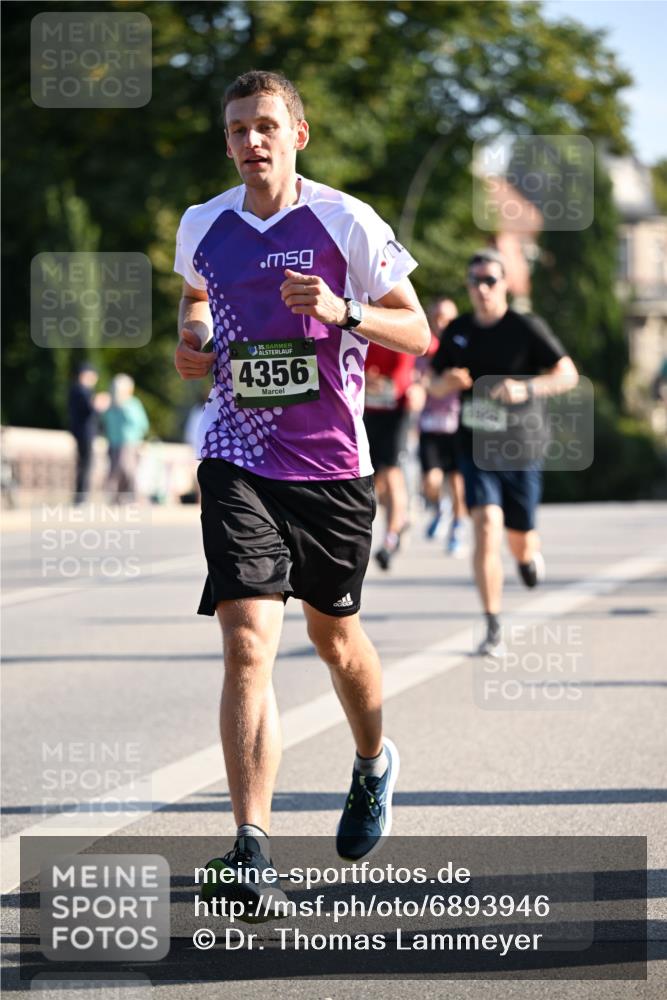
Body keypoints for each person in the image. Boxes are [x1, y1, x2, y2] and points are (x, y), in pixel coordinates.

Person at [173, 71, 429, 915]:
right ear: (227, 142)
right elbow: (197, 301)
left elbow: (418, 330)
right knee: (247, 640)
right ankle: (251, 848)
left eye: (266, 126)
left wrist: (344, 309)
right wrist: (194, 337)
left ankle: (371, 761)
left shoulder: (344, 221)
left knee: (335, 641)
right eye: (238, 129)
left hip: (329, 471)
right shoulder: (204, 223)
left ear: (298, 135)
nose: (252, 141)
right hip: (236, 455)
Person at [429, 249, 578, 656]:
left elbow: (567, 374)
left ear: (505, 284)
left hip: (522, 445)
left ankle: (529, 558)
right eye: (474, 281)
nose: (481, 288)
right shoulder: (458, 330)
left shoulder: (526, 327)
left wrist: (525, 388)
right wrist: (447, 383)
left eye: (490, 280)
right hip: (475, 447)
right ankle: (493, 623)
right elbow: (431, 381)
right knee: (486, 528)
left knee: (520, 540)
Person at [417, 297, 467, 554]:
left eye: (446, 318)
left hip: (457, 424)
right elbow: (419, 383)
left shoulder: (463, 347)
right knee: (431, 482)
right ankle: (440, 508)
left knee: (458, 483)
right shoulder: (422, 349)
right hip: (429, 425)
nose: (440, 323)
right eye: (436, 317)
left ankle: (457, 528)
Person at [363, 341, 416, 570]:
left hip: (396, 412)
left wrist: (369, 381)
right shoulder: (357, 320)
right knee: (375, 482)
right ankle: (400, 519)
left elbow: (399, 381)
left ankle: (390, 538)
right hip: (366, 412)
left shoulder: (396, 323)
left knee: (392, 472)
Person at [102, 374, 149, 503]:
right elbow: (105, 423)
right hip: (113, 442)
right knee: (114, 471)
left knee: (128, 469)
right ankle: (115, 498)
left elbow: (142, 424)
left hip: (129, 443)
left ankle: (133, 497)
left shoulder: (132, 404)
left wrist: (125, 408)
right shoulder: (110, 406)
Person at [67, 362, 100, 504]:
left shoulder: (77, 390)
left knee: (84, 465)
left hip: (81, 432)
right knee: (86, 465)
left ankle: (81, 496)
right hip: (84, 433)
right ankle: (81, 497)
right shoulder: (81, 390)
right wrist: (98, 404)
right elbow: (89, 409)